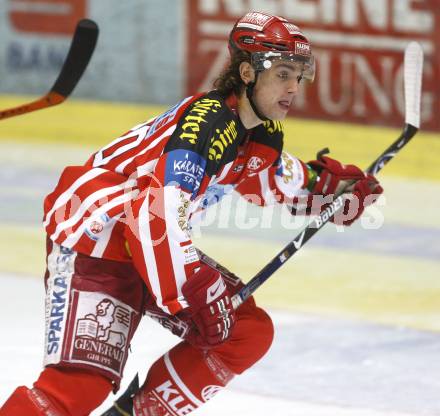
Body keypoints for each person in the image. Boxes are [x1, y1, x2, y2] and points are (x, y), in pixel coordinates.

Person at [0, 11, 383, 416]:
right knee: (79, 388)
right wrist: (192, 289)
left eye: (299, 75)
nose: (294, 87)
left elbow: (268, 176)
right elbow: (155, 213)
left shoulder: (259, 131)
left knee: (245, 332)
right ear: (248, 72)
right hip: (98, 236)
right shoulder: (206, 126)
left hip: (148, 247)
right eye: (284, 73)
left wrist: (325, 190)